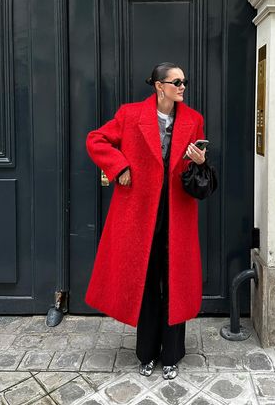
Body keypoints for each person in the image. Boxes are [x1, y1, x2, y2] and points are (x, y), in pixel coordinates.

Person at [85, 62, 206, 380]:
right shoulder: (130, 115)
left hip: (177, 213)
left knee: (175, 282)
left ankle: (172, 355)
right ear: (158, 86)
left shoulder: (194, 120)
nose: (182, 86)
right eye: (176, 81)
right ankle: (146, 354)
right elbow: (95, 140)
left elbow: (197, 167)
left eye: (184, 80)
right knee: (148, 281)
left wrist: (200, 160)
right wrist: (119, 165)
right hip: (140, 214)